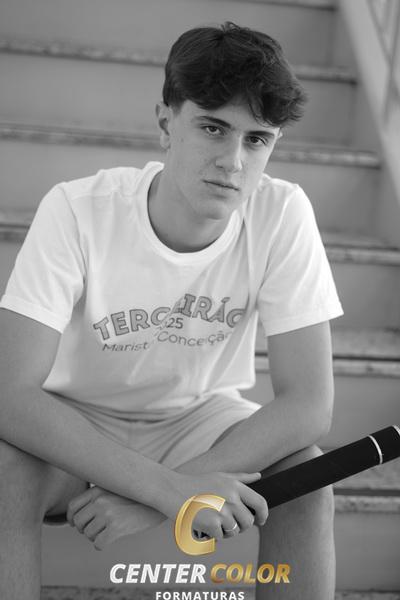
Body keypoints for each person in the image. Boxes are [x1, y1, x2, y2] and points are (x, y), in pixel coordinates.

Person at [0, 21, 343, 599]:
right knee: (6, 469)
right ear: (165, 123)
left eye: (257, 139)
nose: (233, 161)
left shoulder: (282, 213)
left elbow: (310, 404)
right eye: (213, 128)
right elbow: (9, 393)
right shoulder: (79, 209)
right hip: (79, 417)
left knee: (306, 476)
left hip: (197, 420)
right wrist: (165, 490)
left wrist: (173, 488)